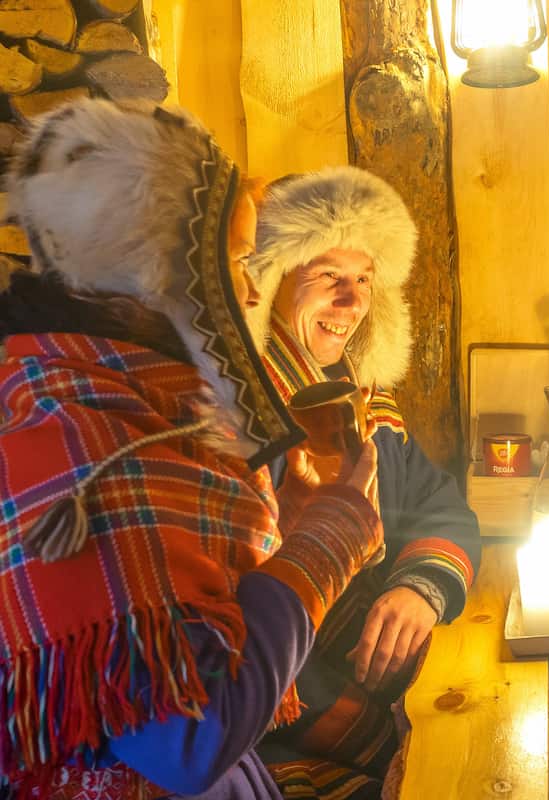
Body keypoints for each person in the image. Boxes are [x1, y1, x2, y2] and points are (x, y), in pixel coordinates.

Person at [0, 99, 383, 798]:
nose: (250, 288)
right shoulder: (77, 444)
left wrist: (289, 530)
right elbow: (188, 736)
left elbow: (196, 627)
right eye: (235, 259)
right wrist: (324, 544)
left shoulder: (141, 406)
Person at [247, 166, 481, 796]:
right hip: (281, 721)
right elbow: (245, 618)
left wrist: (420, 589)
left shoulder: (365, 401)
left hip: (392, 687)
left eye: (363, 280)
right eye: (329, 277)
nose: (352, 303)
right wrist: (379, 730)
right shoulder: (245, 422)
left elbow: (438, 504)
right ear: (272, 281)